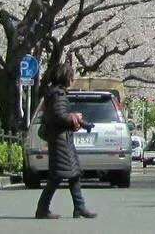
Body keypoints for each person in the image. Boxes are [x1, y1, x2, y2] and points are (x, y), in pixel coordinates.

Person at [35, 63, 96, 220]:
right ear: (65, 77)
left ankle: (79, 207)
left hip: (61, 139)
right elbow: (60, 116)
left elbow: (57, 115)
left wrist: (75, 119)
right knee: (57, 176)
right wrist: (75, 117)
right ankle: (42, 209)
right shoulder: (58, 95)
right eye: (71, 76)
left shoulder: (54, 93)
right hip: (60, 140)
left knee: (73, 174)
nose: (73, 79)